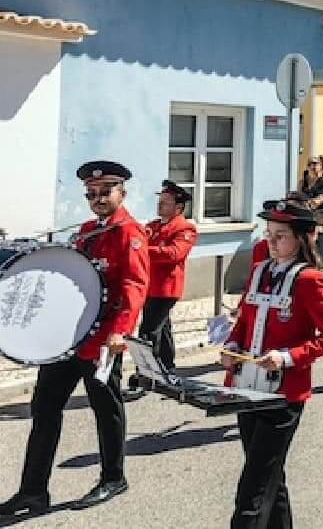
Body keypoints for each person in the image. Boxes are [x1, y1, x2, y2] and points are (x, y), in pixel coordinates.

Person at [0, 161, 149, 517]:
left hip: (102, 340)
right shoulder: (85, 231)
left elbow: (134, 286)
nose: (97, 198)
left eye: (105, 192)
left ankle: (114, 477)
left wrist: (121, 331)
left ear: (121, 193)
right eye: (92, 194)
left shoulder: (130, 233)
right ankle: (33, 490)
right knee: (44, 409)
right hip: (67, 339)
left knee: (106, 408)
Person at [221, 200, 323, 528]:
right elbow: (245, 319)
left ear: (303, 239)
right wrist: (233, 345)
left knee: (252, 492)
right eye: (269, 234)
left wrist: (288, 357)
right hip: (247, 387)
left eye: (281, 236)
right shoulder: (260, 270)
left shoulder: (309, 280)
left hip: (283, 396)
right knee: (268, 478)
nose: (272, 242)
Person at [126, 180, 197, 401]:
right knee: (162, 328)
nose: (160, 206)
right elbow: (138, 238)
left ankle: (145, 377)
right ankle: (167, 366)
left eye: (165, 203)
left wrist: (143, 250)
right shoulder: (154, 225)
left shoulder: (184, 228)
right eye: (160, 202)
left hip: (166, 289)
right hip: (150, 286)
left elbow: (174, 254)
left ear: (178, 208)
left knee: (148, 333)